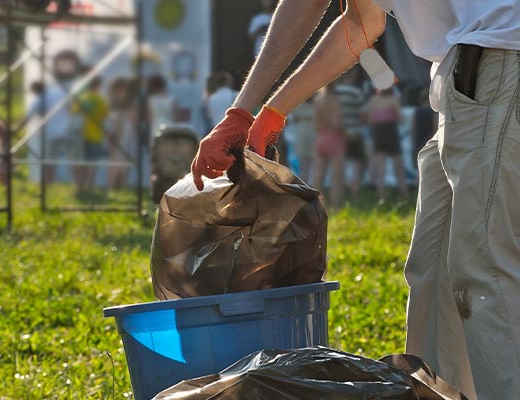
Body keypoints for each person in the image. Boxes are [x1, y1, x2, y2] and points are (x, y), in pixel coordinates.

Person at [190, 1, 520, 398]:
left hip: (501, 59)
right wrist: (273, 111)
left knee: (485, 269)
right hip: (464, 80)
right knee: (434, 276)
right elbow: (363, 21)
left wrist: (241, 112)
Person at [17, 81, 71, 184]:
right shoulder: (58, 93)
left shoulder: (38, 101)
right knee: (73, 158)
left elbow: (27, 118)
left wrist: (14, 129)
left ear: (35, 91)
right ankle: (74, 183)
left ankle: (49, 183)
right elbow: (69, 108)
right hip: (66, 131)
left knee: (49, 160)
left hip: (51, 134)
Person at [362, 87, 408, 200]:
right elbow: (401, 118)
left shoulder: (373, 100)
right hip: (390, 131)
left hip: (378, 132)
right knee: (398, 167)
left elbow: (370, 119)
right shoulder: (393, 99)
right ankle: (405, 195)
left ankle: (381, 197)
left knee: (380, 168)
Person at [334, 68, 366, 200]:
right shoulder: (356, 92)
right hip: (354, 133)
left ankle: (339, 195)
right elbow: (363, 115)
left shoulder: (335, 93)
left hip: (339, 134)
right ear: (353, 76)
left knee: (340, 166)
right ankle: (355, 194)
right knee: (357, 164)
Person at [312, 83, 346, 208]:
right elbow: (337, 123)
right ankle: (337, 206)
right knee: (336, 177)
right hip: (335, 139)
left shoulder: (318, 100)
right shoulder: (336, 100)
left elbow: (315, 125)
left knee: (318, 176)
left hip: (321, 138)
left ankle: (316, 205)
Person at [73, 76, 109, 193]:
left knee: (82, 162)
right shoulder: (101, 100)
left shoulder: (83, 98)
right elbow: (105, 115)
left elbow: (73, 113)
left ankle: (79, 188)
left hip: (83, 135)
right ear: (98, 86)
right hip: (96, 135)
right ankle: (90, 187)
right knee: (93, 163)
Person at [105, 77, 138, 191]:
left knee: (125, 163)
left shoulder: (130, 103)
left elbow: (134, 119)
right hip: (117, 135)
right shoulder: (112, 103)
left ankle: (121, 187)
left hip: (127, 135)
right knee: (115, 163)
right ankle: (111, 188)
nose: (121, 92)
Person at [410, 88, 437, 169]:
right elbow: (436, 127)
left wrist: (413, 142)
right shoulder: (433, 112)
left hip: (418, 143)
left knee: (419, 168)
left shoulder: (417, 111)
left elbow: (413, 128)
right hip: (430, 142)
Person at [289, 97, 315, 180]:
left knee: (304, 163)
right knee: (308, 163)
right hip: (312, 131)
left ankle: (305, 184)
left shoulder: (299, 103)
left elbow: (294, 119)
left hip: (303, 131)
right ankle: (306, 185)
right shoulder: (316, 102)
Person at [147, 75, 176, 142]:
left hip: (155, 127)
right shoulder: (172, 100)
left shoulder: (151, 100)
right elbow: (175, 119)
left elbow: (150, 119)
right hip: (170, 127)